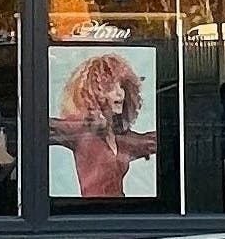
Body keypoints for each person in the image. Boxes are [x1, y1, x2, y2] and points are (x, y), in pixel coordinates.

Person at [48, 52, 158, 197]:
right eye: (111, 88)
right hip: (92, 214)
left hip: (120, 212)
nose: (120, 94)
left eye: (122, 87)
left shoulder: (122, 137)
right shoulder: (81, 129)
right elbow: (38, 126)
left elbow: (156, 140)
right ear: (94, 93)